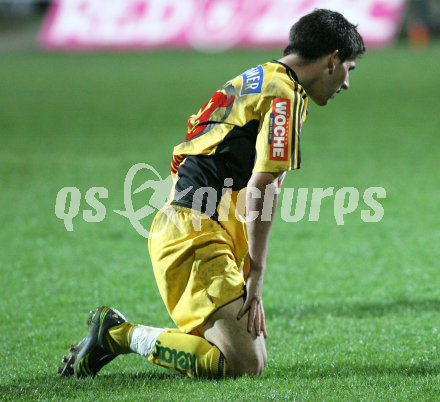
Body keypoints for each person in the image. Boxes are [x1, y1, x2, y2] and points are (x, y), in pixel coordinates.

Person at [59, 9, 365, 379]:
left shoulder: (259, 79)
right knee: (243, 365)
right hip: (194, 233)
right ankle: (119, 335)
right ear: (332, 60)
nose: (346, 83)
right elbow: (263, 186)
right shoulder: (286, 97)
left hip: (195, 226)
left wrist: (243, 266)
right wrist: (257, 273)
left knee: (253, 357)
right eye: (349, 67)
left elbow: (207, 156)